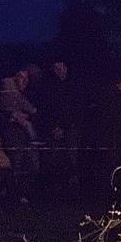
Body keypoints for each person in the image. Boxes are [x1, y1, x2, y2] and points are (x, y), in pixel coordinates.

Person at [38, 59, 87, 189]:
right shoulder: (51, 87)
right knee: (54, 155)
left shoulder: (74, 86)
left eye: (60, 68)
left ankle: (74, 183)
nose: (58, 71)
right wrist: (54, 126)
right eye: (56, 68)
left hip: (71, 126)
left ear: (66, 67)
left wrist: (66, 125)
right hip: (55, 127)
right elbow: (48, 108)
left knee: (72, 156)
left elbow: (77, 108)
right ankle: (54, 184)